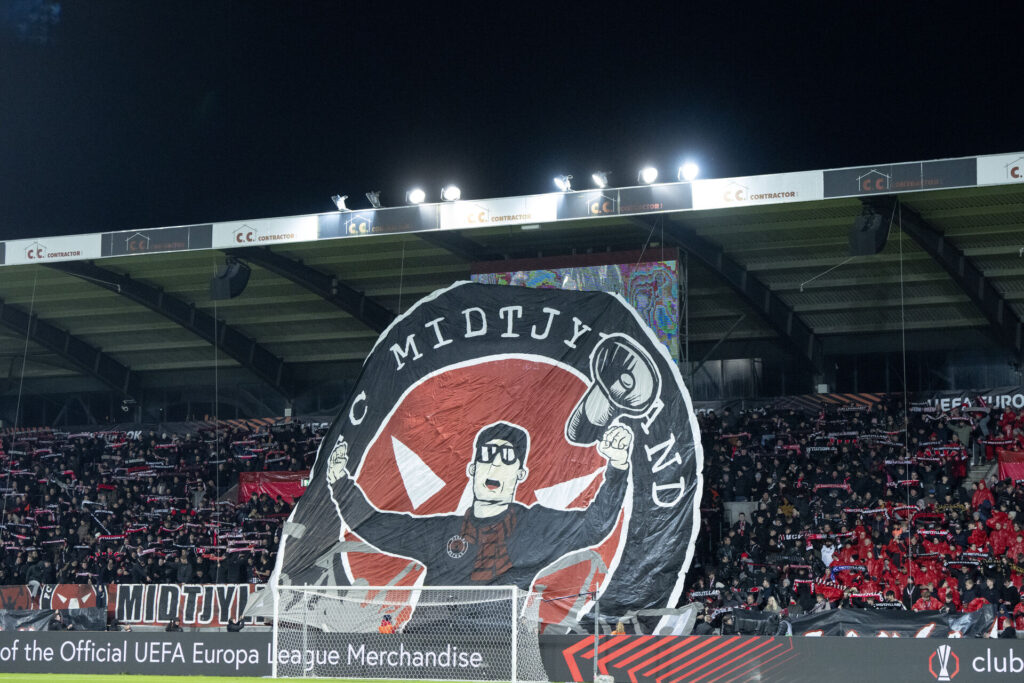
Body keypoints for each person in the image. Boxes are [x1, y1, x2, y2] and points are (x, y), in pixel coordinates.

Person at [326, 421, 633, 589]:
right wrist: (340, 482)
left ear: (521, 474)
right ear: (472, 468)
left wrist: (617, 467)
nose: (494, 467)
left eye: (507, 459)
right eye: (487, 456)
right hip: (433, 644)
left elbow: (595, 527)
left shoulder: (536, 526)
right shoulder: (440, 531)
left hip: (501, 643)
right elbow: (377, 526)